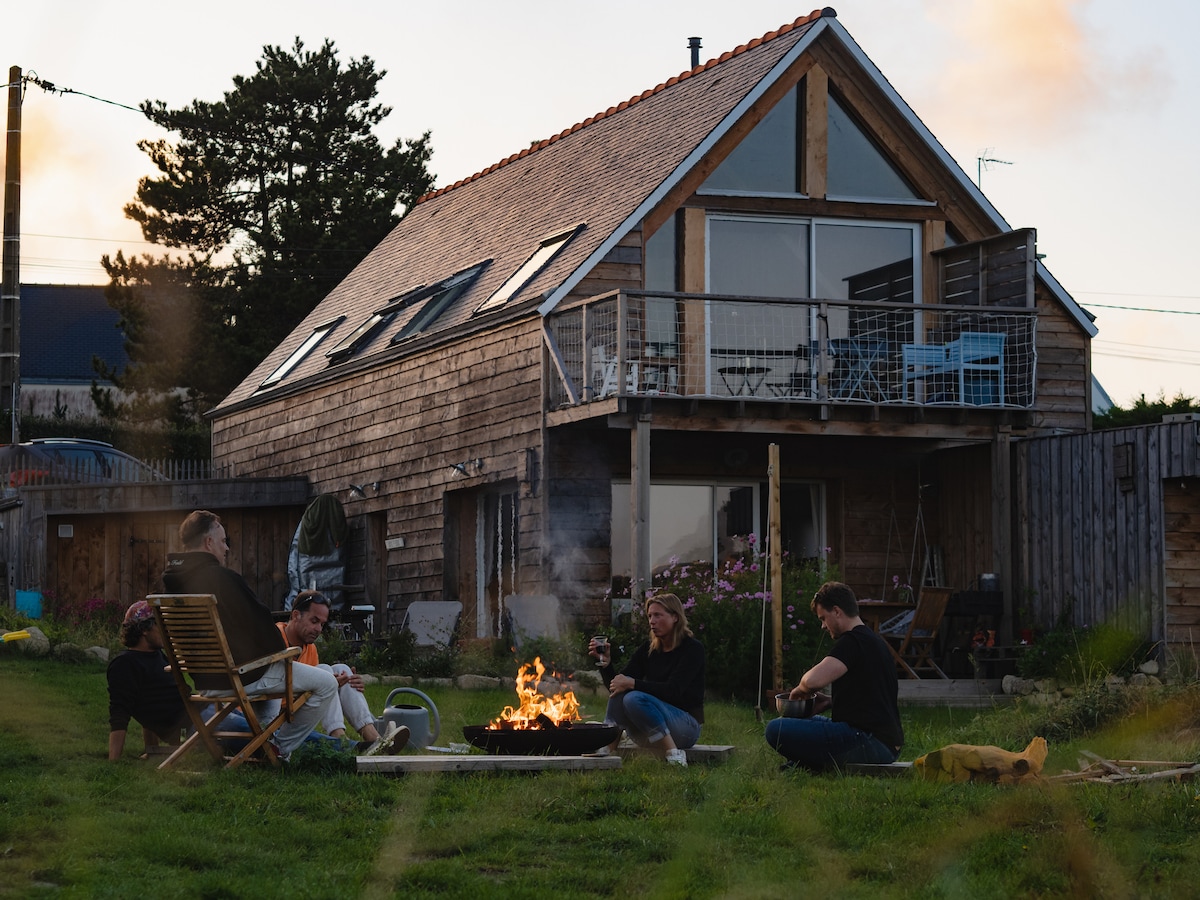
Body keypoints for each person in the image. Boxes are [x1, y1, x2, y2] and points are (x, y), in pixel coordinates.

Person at [161, 509, 340, 761]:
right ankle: (278, 748)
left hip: (204, 680)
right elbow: (262, 624)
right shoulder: (223, 580)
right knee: (326, 683)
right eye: (223, 541)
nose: (226, 549)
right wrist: (282, 651)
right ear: (208, 542)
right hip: (238, 677)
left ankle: (263, 750)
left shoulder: (168, 587)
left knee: (268, 670)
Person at [765, 581, 904, 772]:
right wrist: (831, 702)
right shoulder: (874, 641)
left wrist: (800, 689)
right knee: (802, 723)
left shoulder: (853, 641)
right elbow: (873, 697)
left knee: (776, 729)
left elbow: (813, 681)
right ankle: (808, 765)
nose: (823, 626)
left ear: (837, 611)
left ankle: (810, 764)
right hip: (885, 743)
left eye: (823, 618)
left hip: (869, 742)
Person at [278, 590, 408, 753]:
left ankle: (374, 738)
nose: (318, 629)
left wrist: (344, 682)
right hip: (277, 716)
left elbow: (308, 692)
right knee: (325, 673)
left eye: (322, 624)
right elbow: (273, 683)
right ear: (296, 615)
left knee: (342, 670)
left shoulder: (310, 649)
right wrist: (328, 682)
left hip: (298, 708)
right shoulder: (275, 638)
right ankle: (342, 742)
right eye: (314, 621)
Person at [591, 592, 704, 767]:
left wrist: (633, 684)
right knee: (623, 692)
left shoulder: (692, 650)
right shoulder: (648, 649)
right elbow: (619, 685)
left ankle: (674, 753)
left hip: (686, 729)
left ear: (675, 617)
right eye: (650, 615)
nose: (652, 621)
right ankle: (608, 748)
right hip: (647, 732)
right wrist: (606, 665)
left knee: (633, 696)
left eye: (658, 615)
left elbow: (673, 691)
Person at [106, 599, 191, 761]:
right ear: (144, 629)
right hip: (198, 725)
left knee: (252, 722)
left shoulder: (157, 655)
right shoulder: (125, 664)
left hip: (206, 713)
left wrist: (152, 750)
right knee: (252, 734)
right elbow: (119, 712)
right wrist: (113, 760)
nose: (165, 630)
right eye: (160, 625)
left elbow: (150, 707)